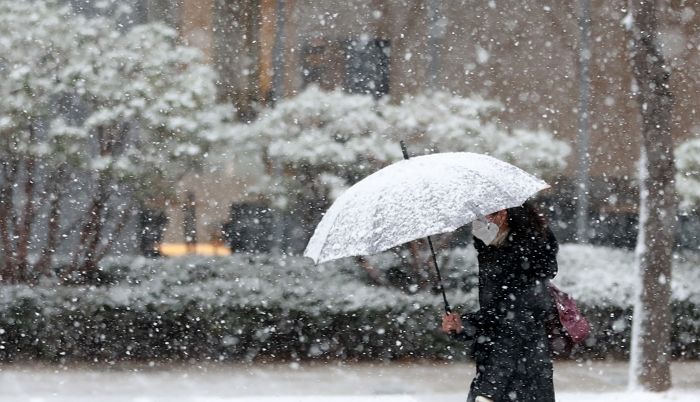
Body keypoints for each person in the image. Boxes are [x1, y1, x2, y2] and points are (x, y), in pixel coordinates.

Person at [441, 201, 558, 402]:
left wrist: (489, 390)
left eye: (479, 217)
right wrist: (462, 325)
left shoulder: (522, 261)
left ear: (501, 215)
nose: (474, 224)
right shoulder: (494, 251)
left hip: (517, 379)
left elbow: (514, 329)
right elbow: (496, 316)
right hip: (509, 375)